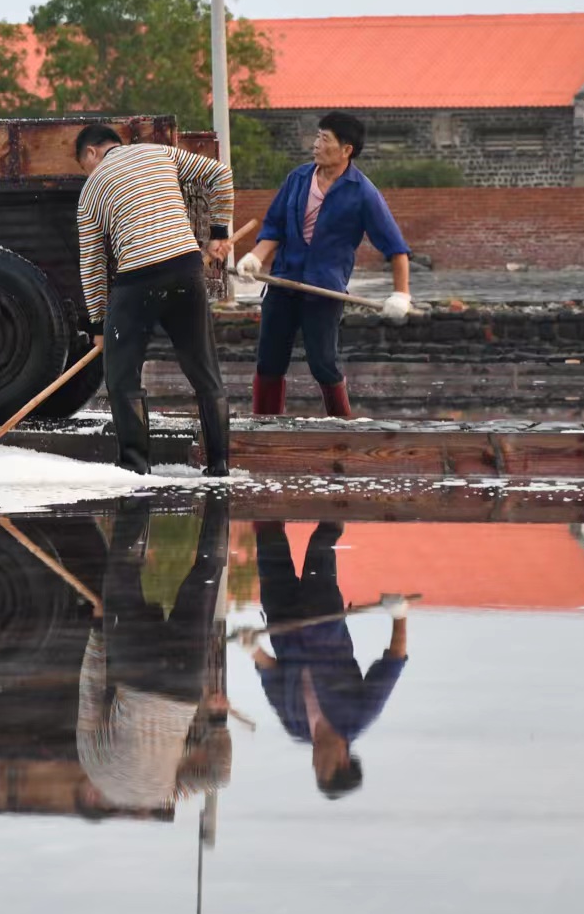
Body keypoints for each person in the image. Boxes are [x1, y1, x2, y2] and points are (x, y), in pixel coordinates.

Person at [74, 124, 234, 476]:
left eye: (85, 165)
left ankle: (135, 468)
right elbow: (219, 173)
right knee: (204, 371)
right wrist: (218, 232)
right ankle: (220, 465)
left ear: (91, 153)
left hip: (137, 280)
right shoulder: (158, 152)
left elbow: (93, 266)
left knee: (121, 376)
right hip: (185, 268)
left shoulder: (90, 192)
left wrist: (99, 325)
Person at [234, 112, 411, 419]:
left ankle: (341, 426)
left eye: (324, 139)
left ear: (346, 150)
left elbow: (395, 248)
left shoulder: (363, 192)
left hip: (324, 290)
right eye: (317, 137)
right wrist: (255, 258)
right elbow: (274, 227)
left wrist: (401, 295)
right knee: (269, 361)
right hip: (283, 282)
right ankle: (264, 425)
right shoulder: (298, 179)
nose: (315, 144)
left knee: (323, 363)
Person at [75, 494, 233, 812]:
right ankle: (138, 488)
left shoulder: (165, 794)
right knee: (123, 569)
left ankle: (220, 490)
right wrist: (99, 626)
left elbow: (219, 778)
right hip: (138, 669)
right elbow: (91, 692)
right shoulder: (94, 769)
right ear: (92, 796)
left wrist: (217, 722)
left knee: (206, 572)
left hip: (184, 683)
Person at [250, 520, 409, 799]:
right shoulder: (360, 715)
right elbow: (393, 661)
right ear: (343, 759)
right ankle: (336, 491)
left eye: (315, 768)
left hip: (281, 621)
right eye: (322, 765)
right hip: (321, 616)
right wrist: (399, 615)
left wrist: (252, 647)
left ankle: (266, 498)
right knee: (321, 543)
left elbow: (271, 673)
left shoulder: (295, 726)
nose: (314, 761)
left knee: (268, 541)